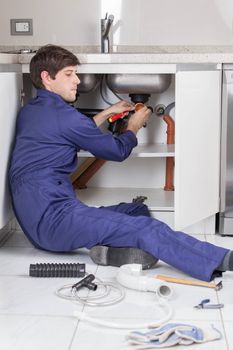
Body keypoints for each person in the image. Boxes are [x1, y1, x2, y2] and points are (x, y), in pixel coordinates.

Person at [9, 45, 233, 282]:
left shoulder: (33, 110)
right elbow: (117, 151)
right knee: (148, 228)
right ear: (46, 77)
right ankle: (220, 260)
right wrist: (133, 126)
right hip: (54, 221)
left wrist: (108, 112)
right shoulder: (66, 117)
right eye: (68, 74)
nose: (76, 80)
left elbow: (71, 132)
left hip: (37, 221)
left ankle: (111, 253)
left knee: (135, 211)